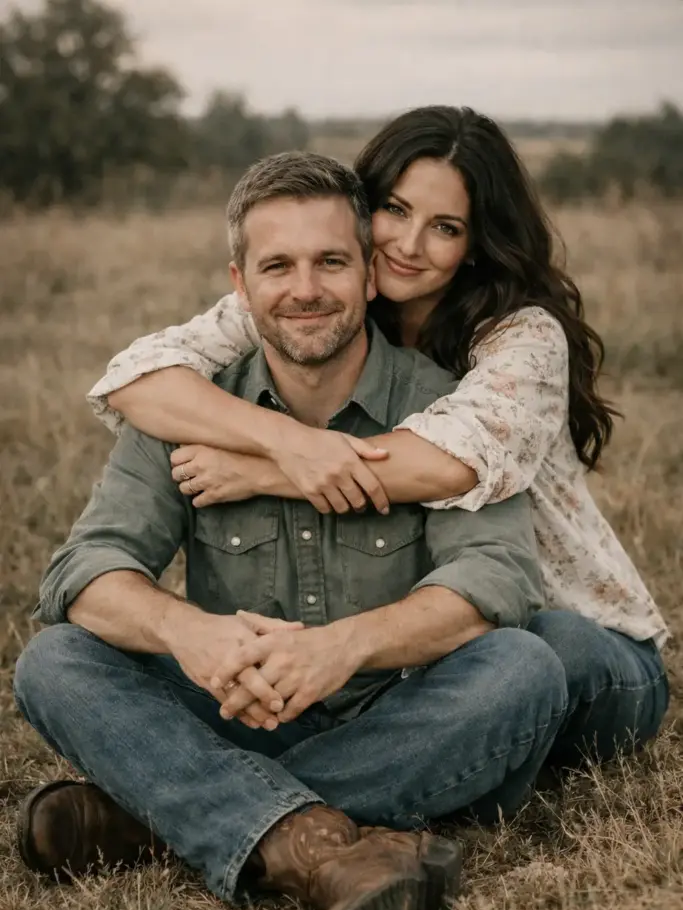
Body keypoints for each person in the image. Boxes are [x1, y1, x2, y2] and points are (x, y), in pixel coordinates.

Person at [15, 152, 557, 910]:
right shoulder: (187, 402)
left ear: (370, 274)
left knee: (523, 669)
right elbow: (87, 568)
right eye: (278, 265)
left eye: (330, 261)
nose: (305, 288)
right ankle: (324, 848)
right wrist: (189, 633)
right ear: (240, 282)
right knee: (54, 660)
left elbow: (492, 582)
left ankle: (154, 818)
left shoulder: (443, 406)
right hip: (227, 702)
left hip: (395, 711)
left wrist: (342, 646)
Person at [87, 106, 669, 767]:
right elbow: (134, 380)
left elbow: (447, 463)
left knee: (537, 649)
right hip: (434, 643)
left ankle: (215, 802)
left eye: (444, 227)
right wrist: (283, 439)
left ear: (475, 242)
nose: (408, 244)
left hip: (574, 633)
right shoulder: (320, 295)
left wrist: (263, 470)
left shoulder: (520, 338)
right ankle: (340, 789)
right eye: (395, 210)